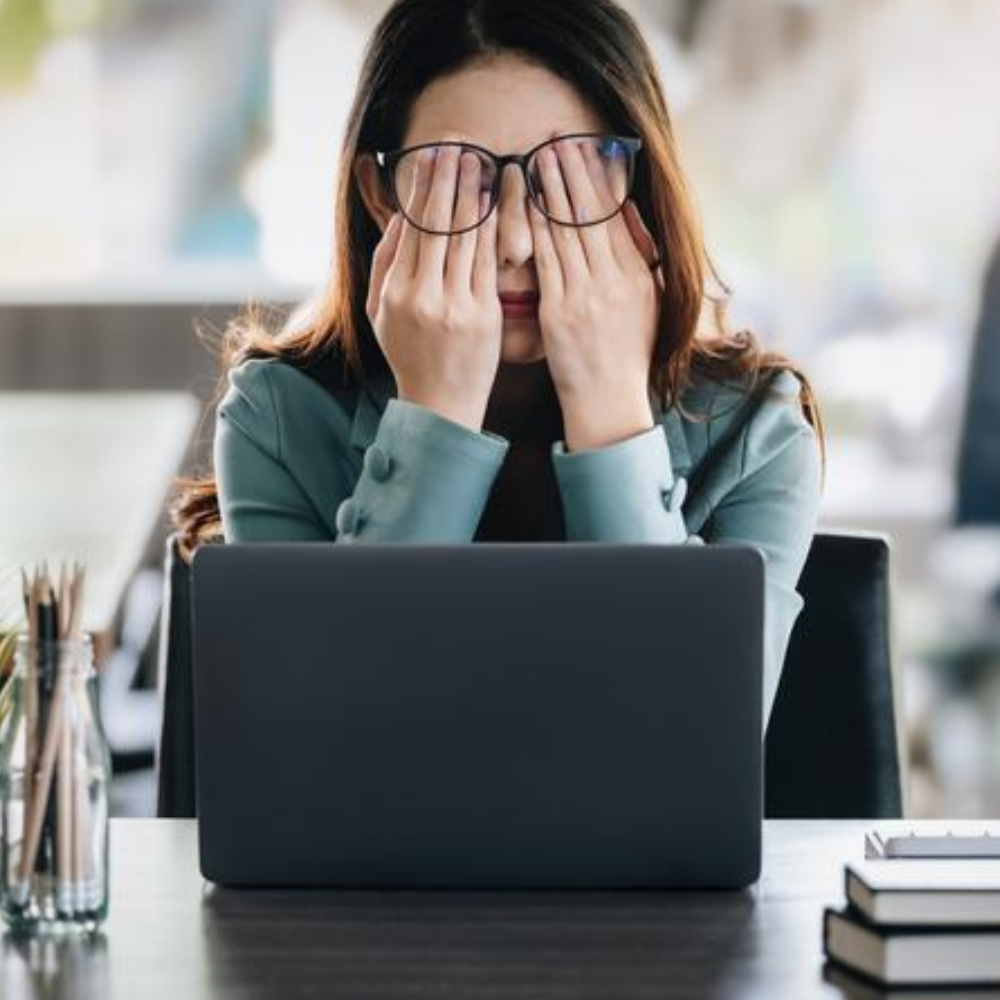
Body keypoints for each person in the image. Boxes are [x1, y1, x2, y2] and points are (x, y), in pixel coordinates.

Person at [171, 0, 825, 729]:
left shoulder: (757, 435)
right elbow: (324, 734)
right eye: (464, 182)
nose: (515, 241)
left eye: (565, 180)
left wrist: (611, 411)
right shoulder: (279, 418)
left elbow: (694, 735)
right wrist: (433, 415)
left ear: (633, 193)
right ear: (381, 196)